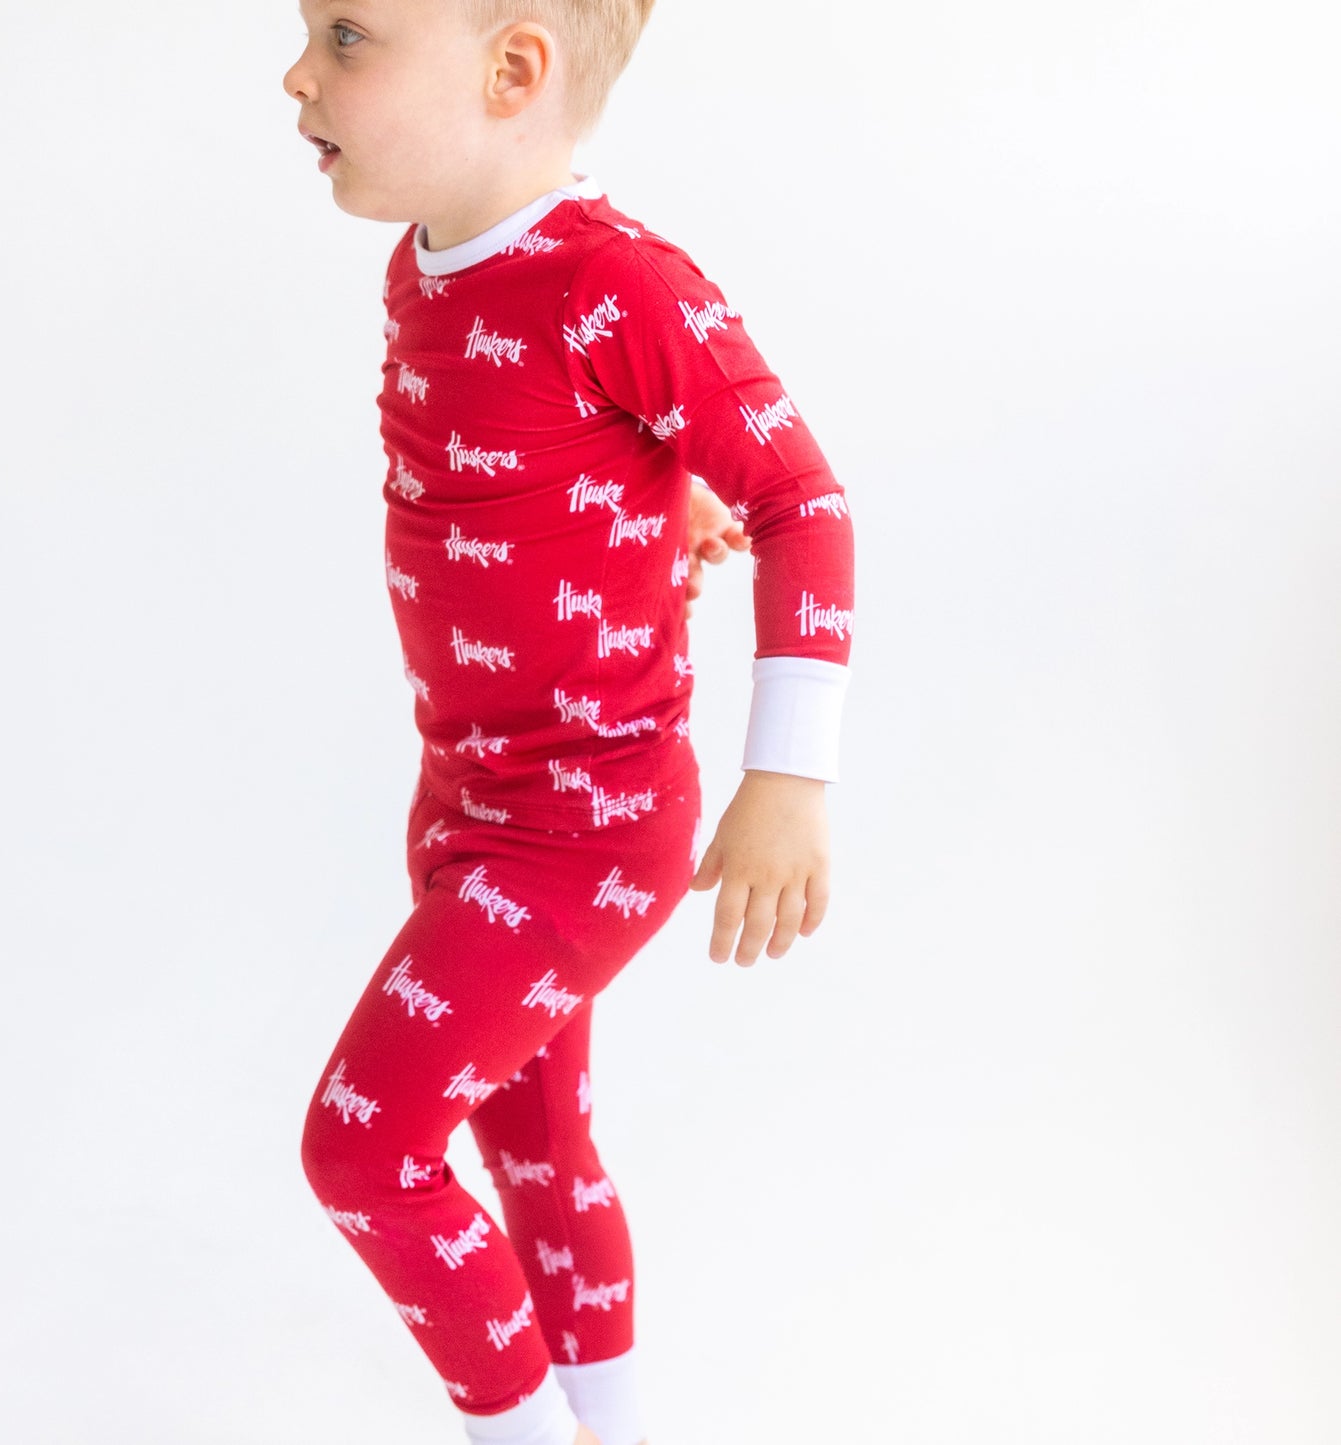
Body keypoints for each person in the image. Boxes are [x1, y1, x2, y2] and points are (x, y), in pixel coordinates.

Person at [282, 2, 855, 1442]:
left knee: (365, 1150)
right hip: (464, 801)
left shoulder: (619, 280)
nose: (296, 74)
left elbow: (807, 501)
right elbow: (561, 439)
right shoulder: (427, 261)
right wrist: (665, 492)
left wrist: (786, 776)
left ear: (512, 70)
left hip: (584, 833)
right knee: (533, 1144)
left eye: (346, 37)